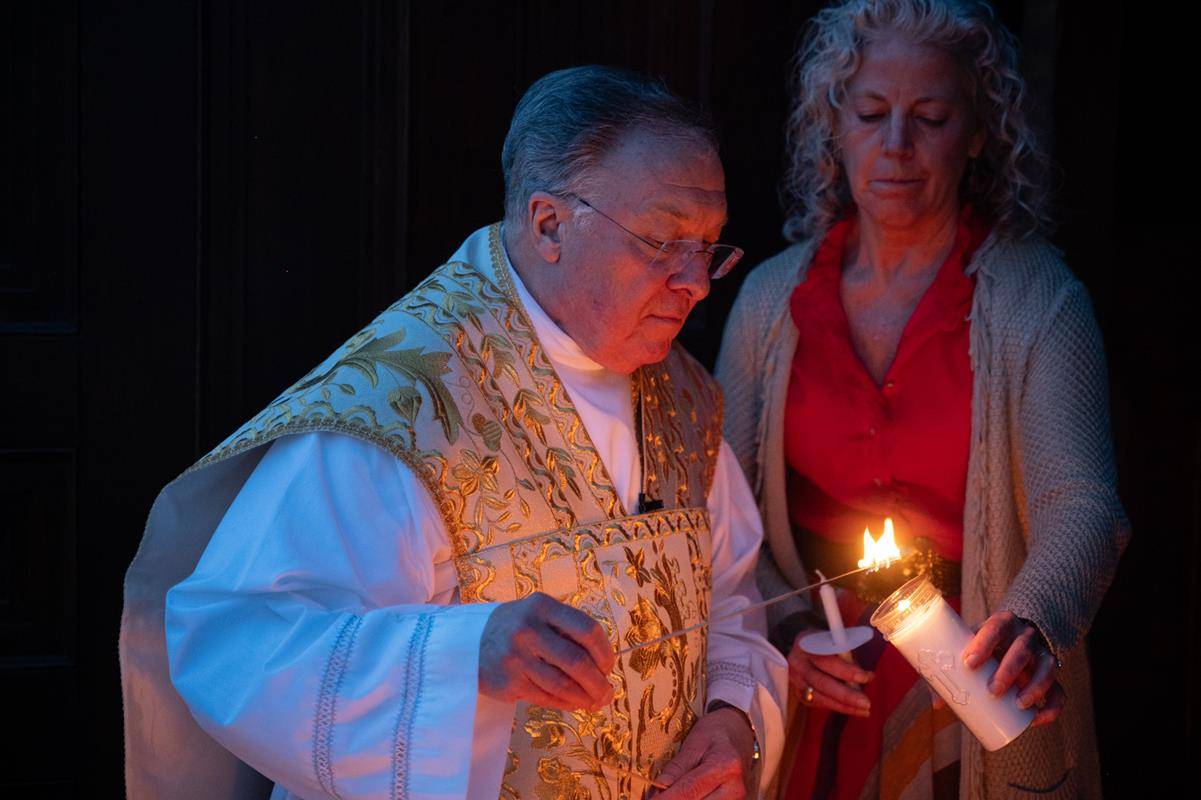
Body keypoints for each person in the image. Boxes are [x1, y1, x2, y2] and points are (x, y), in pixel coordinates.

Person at [119, 66, 789, 800]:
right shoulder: (405, 401)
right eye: (662, 242)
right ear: (549, 224)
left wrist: (734, 717)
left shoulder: (684, 399)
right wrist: (467, 655)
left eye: (710, 247)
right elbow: (235, 645)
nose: (695, 281)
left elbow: (727, 600)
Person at [716, 1, 1130, 798]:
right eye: (870, 114)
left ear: (978, 132)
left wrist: (1032, 625)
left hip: (981, 688)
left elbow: (1081, 502)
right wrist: (787, 629)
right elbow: (721, 520)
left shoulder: (1036, 298)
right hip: (817, 693)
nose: (896, 146)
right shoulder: (771, 304)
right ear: (832, 127)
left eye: (930, 117)